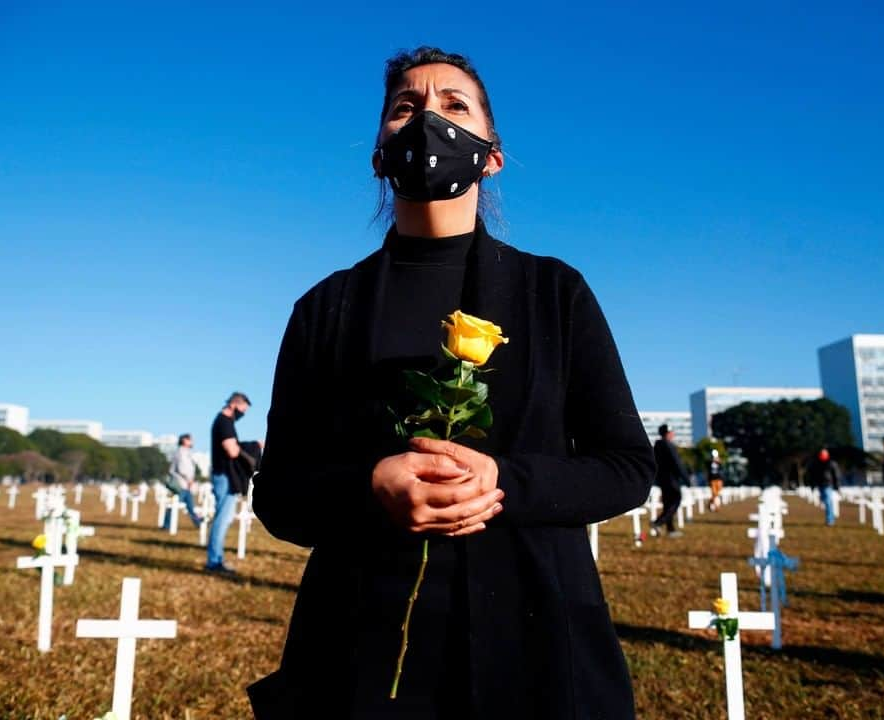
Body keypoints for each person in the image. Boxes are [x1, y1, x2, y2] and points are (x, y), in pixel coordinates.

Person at [247, 47, 656, 720]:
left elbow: (626, 466)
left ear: (492, 155)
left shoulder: (554, 292)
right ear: (379, 153)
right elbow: (281, 495)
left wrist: (505, 482)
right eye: (405, 108)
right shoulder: (325, 308)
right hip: (360, 652)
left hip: (533, 639)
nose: (427, 122)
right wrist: (369, 485)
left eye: (453, 106)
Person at [206, 392, 262, 575]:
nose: (242, 414)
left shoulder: (226, 422)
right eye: (242, 410)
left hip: (223, 475)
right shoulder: (224, 422)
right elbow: (231, 450)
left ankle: (216, 559)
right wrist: (250, 450)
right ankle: (214, 562)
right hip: (224, 476)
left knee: (224, 518)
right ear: (234, 405)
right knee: (222, 520)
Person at [650, 423, 687, 537]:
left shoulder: (657, 446)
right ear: (668, 433)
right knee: (676, 499)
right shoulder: (668, 445)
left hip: (662, 480)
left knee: (667, 503)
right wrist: (686, 478)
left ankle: (670, 529)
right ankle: (659, 522)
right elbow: (677, 463)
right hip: (672, 479)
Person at [163, 433, 201, 529]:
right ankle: (166, 526)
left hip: (185, 484)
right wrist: (189, 480)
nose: (192, 441)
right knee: (173, 505)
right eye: (190, 439)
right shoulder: (181, 452)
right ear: (184, 440)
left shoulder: (185, 452)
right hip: (181, 484)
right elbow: (182, 468)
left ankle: (199, 523)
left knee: (189, 506)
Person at [806, 447, 841, 526]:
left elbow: (836, 475)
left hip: (828, 485)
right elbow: (813, 475)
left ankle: (830, 520)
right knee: (825, 501)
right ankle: (830, 517)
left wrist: (837, 486)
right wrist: (813, 486)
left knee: (828, 502)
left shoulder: (831, 463)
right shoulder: (817, 463)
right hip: (820, 485)